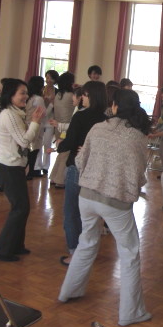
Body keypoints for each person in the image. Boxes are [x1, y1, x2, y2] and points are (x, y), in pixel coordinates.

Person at [58, 89, 152, 327]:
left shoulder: (98, 128)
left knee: (86, 243)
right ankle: (131, 312)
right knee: (129, 253)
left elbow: (79, 161)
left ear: (115, 106)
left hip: (87, 196)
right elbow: (139, 173)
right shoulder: (137, 137)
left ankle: (68, 291)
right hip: (115, 201)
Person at [0, 79, 45, 261]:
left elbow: (27, 139)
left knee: (22, 208)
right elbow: (24, 140)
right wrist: (35, 122)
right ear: (11, 95)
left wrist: (34, 122)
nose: (26, 96)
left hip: (15, 167)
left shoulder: (17, 113)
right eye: (22, 93)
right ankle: (1, 250)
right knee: (20, 208)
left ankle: (16, 245)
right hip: (8, 168)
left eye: (26, 92)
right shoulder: (9, 114)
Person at [57, 81, 107, 266]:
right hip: (96, 170)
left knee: (71, 212)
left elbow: (70, 142)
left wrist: (59, 145)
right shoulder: (106, 119)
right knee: (91, 214)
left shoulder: (81, 116)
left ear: (90, 96)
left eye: (84, 95)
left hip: (78, 168)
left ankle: (75, 252)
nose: (81, 98)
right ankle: (88, 250)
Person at [49, 72, 75, 188]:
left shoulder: (58, 94)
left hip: (57, 126)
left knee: (61, 152)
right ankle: (60, 180)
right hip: (66, 127)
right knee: (65, 154)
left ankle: (54, 177)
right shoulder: (70, 95)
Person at [38, 70, 59, 176]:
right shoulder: (42, 90)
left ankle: (46, 166)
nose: (48, 80)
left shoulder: (57, 91)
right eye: (47, 77)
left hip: (51, 120)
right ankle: (38, 166)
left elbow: (56, 106)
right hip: (41, 119)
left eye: (51, 78)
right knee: (38, 143)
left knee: (47, 143)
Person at [25, 76, 46, 180]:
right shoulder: (38, 99)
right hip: (36, 124)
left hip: (27, 124)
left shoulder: (29, 97)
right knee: (34, 149)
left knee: (30, 148)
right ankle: (30, 171)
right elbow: (43, 113)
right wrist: (50, 103)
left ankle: (30, 171)